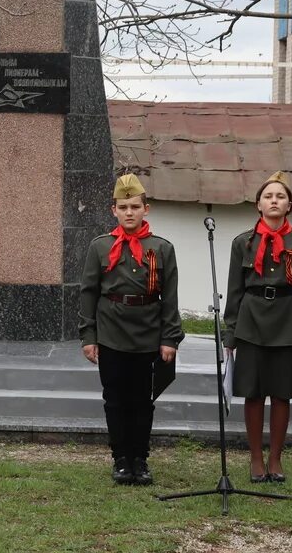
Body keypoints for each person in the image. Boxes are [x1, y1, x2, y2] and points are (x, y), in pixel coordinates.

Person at [79, 173, 183, 486]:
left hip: (148, 334)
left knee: (142, 399)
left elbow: (170, 297)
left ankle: (140, 458)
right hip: (111, 333)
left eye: (134, 206)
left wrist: (169, 338)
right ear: (113, 210)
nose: (129, 212)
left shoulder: (161, 249)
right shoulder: (100, 247)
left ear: (145, 209)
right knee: (114, 398)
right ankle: (120, 459)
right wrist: (89, 336)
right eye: (123, 206)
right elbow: (89, 293)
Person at [223, 171, 292, 484]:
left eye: (280, 196)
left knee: (281, 393)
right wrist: (231, 333)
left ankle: (275, 457)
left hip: (288, 321)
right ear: (258, 205)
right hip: (251, 321)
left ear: (290, 205)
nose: (274, 200)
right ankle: (255, 457)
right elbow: (234, 290)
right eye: (268, 196)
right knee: (253, 393)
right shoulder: (243, 243)